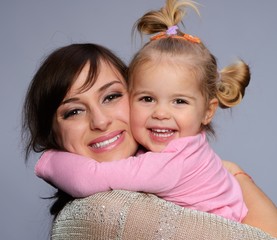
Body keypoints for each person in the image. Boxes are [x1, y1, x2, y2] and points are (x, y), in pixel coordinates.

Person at [22, 14, 277, 240]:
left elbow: (91, 176)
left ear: (207, 111)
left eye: (111, 97)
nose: (161, 113)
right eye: (147, 99)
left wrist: (49, 161)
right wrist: (237, 173)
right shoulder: (103, 212)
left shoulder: (168, 163)